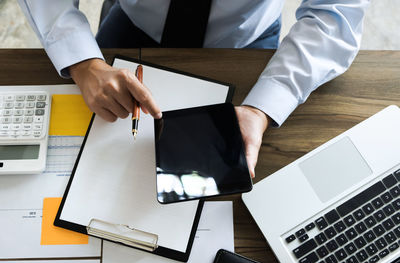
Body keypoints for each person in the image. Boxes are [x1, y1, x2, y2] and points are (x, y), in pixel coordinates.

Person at [18, 0, 369, 178]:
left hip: (244, 41)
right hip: (131, 21)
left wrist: (262, 108)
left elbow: (335, 14)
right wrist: (81, 61)